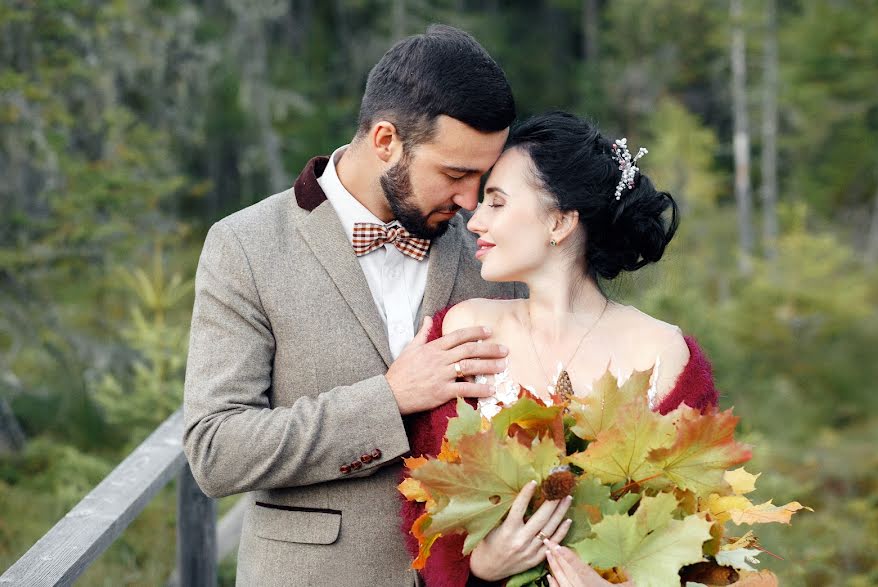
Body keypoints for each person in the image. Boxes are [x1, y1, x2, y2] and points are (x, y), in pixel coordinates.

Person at [182, 25, 528, 586]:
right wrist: (390, 399)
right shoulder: (243, 246)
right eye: (455, 174)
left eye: (482, 177)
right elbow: (216, 449)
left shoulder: (492, 253)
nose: (470, 200)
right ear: (386, 140)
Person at [401, 111, 720, 586]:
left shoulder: (666, 353)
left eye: (497, 202)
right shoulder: (463, 331)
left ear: (560, 220)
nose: (474, 220)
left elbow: (699, 535)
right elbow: (423, 510)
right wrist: (483, 567)